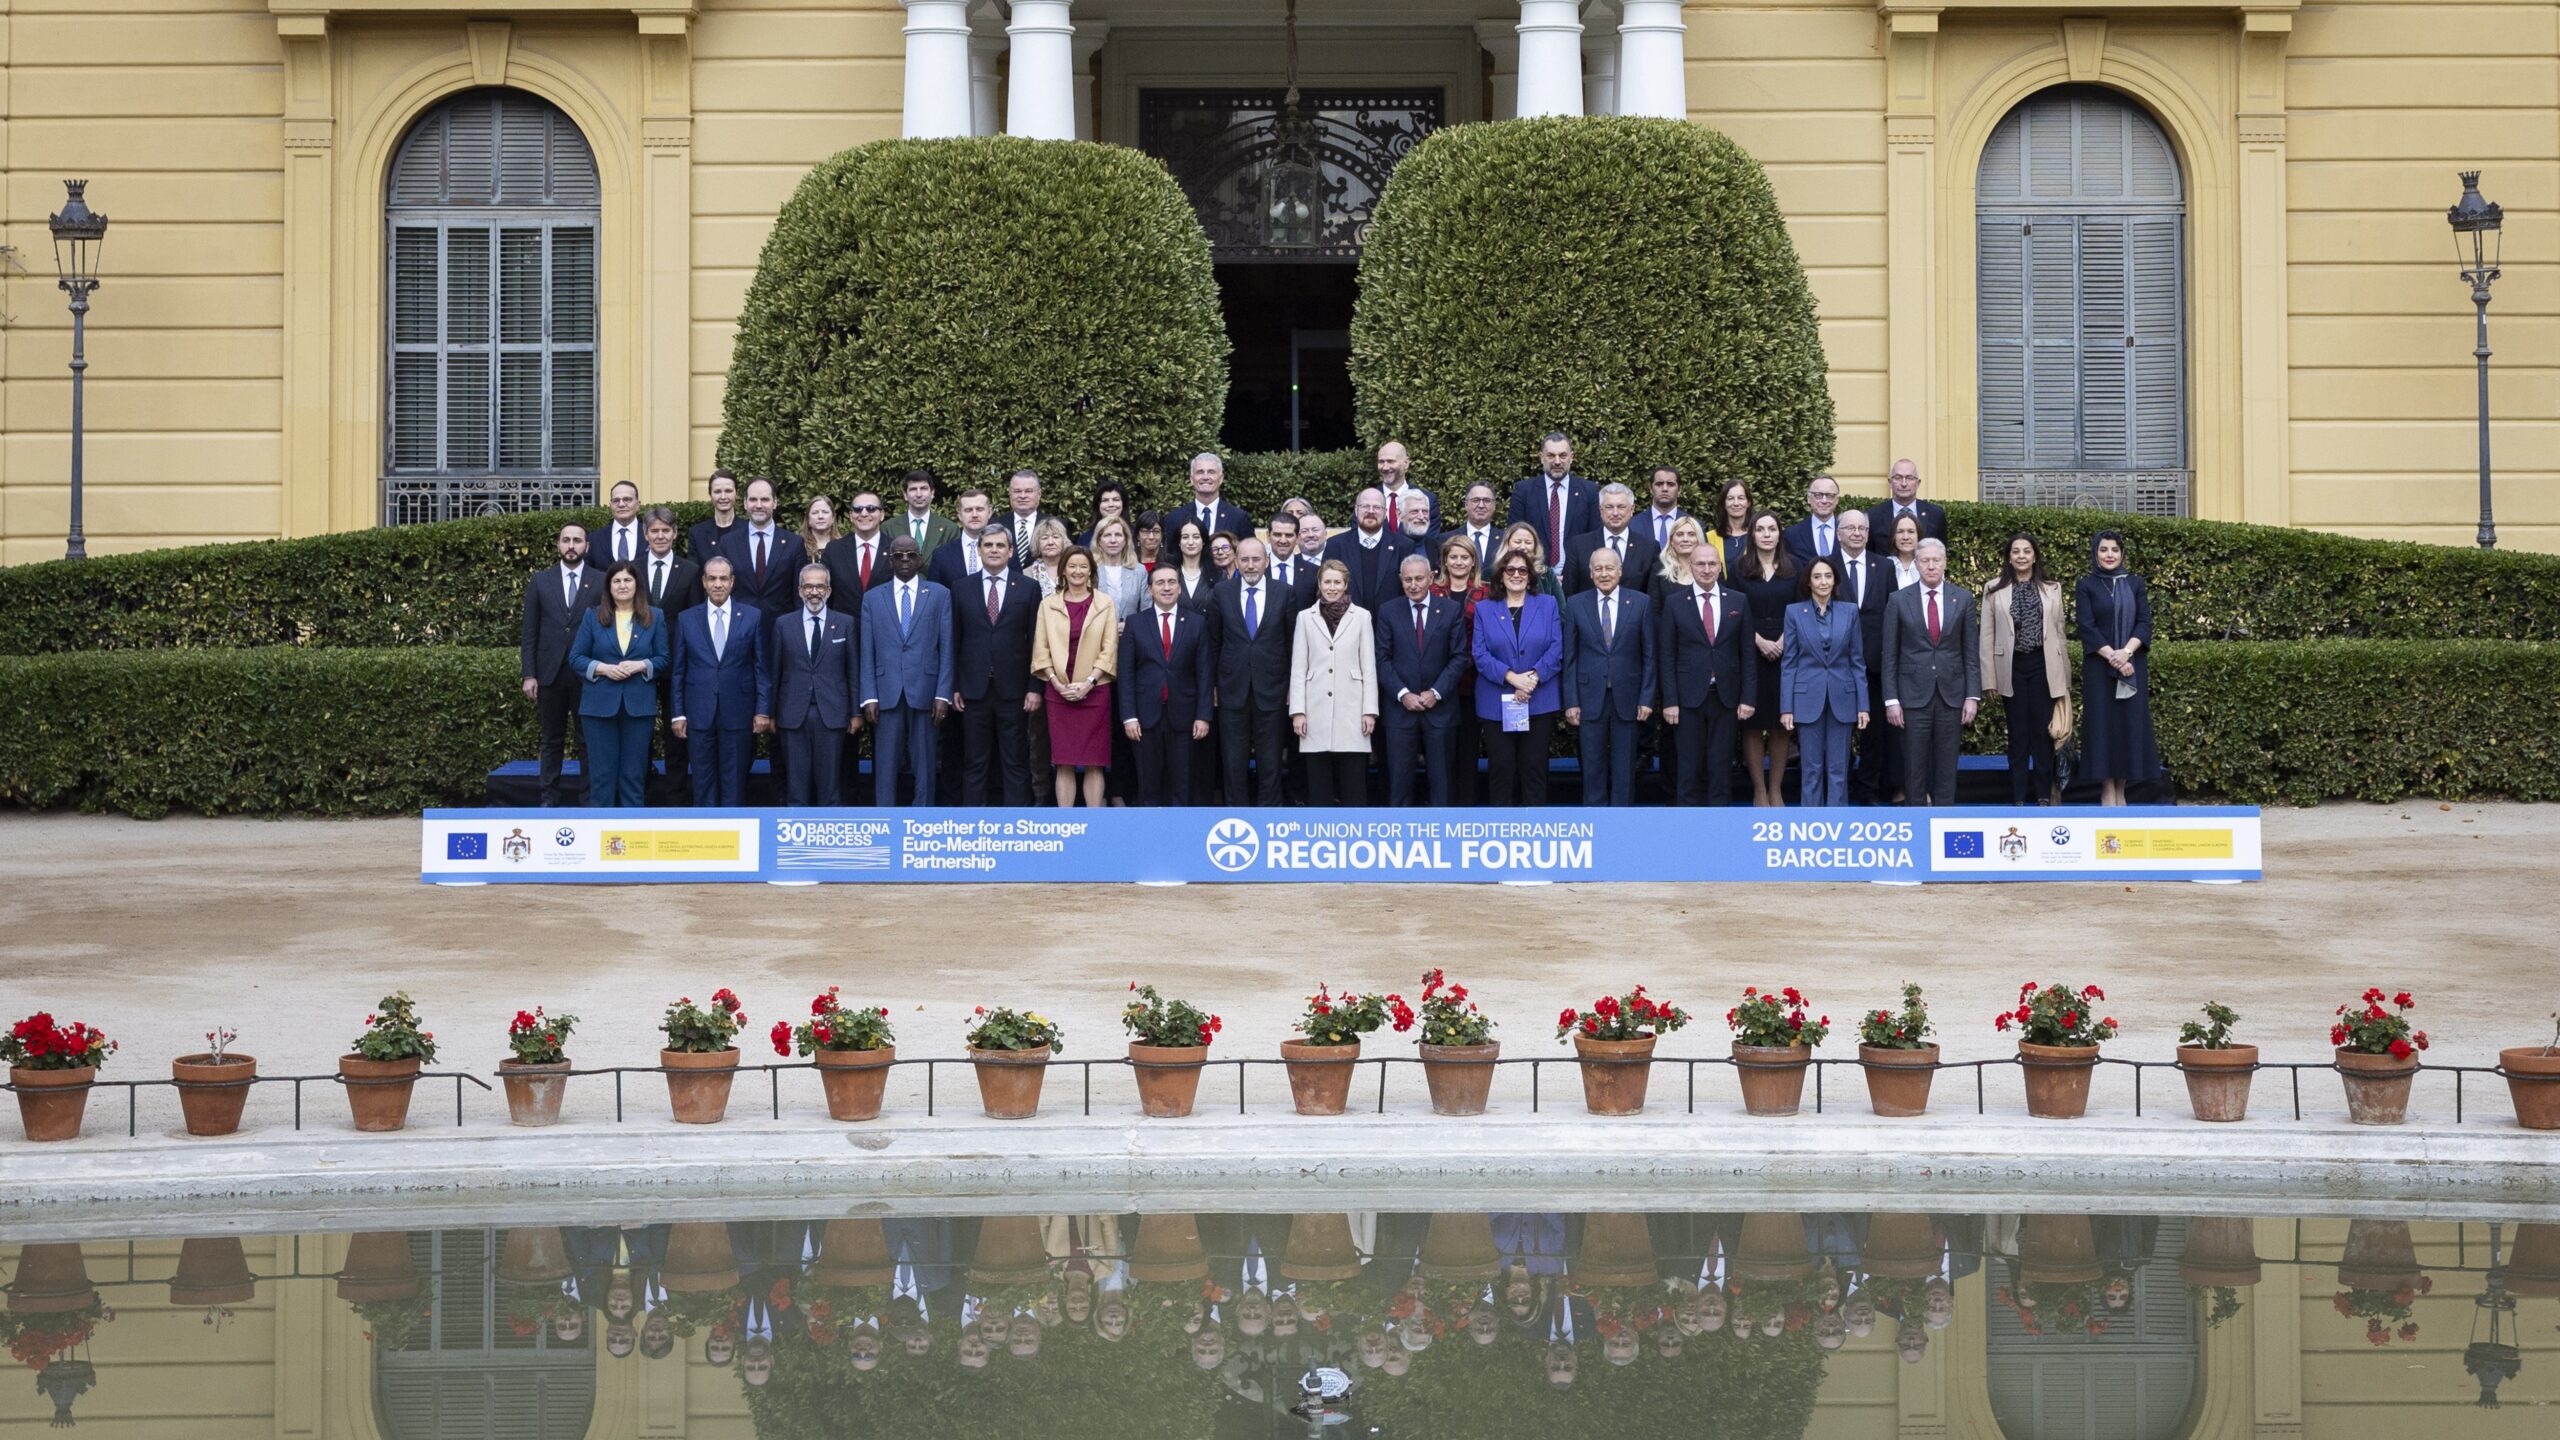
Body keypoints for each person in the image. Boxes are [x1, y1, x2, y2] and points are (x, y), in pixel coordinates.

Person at [1880, 539, 1980, 806]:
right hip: (1912, 697)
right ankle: (1916, 825)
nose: (1931, 566)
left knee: (1947, 767)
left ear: (1945, 562)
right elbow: (1889, 655)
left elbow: (1971, 653)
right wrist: (1891, 700)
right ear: (1916, 564)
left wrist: (1972, 696)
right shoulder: (1899, 600)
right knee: (1914, 768)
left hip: (1952, 695)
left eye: (1936, 560)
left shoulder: (1964, 598)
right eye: (1925, 561)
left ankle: (1943, 820)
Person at [1657, 548, 1757, 806]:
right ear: (1690, 566)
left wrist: (1748, 698)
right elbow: (1666, 655)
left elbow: (1747, 653)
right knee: (1688, 766)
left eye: (1712, 564)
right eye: (1700, 564)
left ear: (1720, 567)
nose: (1706, 569)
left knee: (1721, 766)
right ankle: (1688, 828)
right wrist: (1669, 701)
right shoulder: (1675, 602)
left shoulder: (1738, 601)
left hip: (1727, 697)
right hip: (1687, 698)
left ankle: (1720, 828)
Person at [859, 536, 955, 806]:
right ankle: (885, 817)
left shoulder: (939, 594)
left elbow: (946, 648)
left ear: (919, 559)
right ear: (889, 560)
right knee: (885, 764)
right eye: (898, 555)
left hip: (926, 692)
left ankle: (921, 817)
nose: (904, 560)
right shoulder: (872, 597)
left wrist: (943, 694)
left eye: (910, 555)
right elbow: (867, 650)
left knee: (924, 763)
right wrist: (869, 696)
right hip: (885, 692)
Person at [951, 526, 1042, 806]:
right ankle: (973, 824)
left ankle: (1017, 823)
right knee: (974, 762)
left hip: (1014, 690)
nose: (993, 550)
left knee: (1015, 761)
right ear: (979, 550)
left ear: (1011, 551)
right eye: (988, 545)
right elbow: (955, 640)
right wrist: (954, 686)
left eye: (1000, 545)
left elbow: (1036, 641)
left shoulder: (1028, 587)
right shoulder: (961, 587)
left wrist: (1034, 687)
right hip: (973, 690)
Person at [669, 556, 769, 806]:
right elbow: (678, 671)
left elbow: (761, 668)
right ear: (703, 582)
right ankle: (705, 837)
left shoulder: (752, 616)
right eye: (712, 578)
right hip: (699, 712)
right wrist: (678, 713)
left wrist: (763, 711)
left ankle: (732, 837)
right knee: (702, 781)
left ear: (732, 582)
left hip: (739, 712)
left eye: (723, 578)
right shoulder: (687, 618)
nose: (717, 584)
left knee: (734, 782)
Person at [1559, 547, 1657, 806]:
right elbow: (1569, 657)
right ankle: (1595, 818)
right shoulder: (1576, 603)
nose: (1604, 574)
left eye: (1609, 568)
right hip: (1588, 697)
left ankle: (1621, 822)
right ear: (1590, 573)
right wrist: (1571, 701)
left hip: (1629, 696)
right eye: (1598, 569)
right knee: (1592, 765)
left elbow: (1649, 655)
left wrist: (1647, 698)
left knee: (1625, 766)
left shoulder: (1641, 602)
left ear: (1620, 571)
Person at [569, 560, 667, 808]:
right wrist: (603, 669)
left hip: (638, 707)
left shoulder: (655, 617)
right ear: (609, 587)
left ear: (637, 585)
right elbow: (576, 658)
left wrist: (642, 665)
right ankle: (599, 837)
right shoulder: (593, 616)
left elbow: (664, 659)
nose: (622, 585)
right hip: (598, 707)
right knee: (601, 778)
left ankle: (632, 839)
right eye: (616, 581)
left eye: (627, 580)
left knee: (633, 777)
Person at [1209, 537, 1299, 807]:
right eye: (1245, 559)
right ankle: (1237, 816)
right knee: (1233, 762)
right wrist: (1214, 685)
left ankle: (1269, 817)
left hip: (1272, 691)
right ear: (1236, 561)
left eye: (1256, 559)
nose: (1250, 566)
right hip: (1231, 691)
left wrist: (1290, 689)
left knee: (1270, 762)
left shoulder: (1284, 592)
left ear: (1267, 561)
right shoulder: (1222, 592)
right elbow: (1214, 643)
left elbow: (1292, 644)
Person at [1980, 532, 2068, 805]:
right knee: (2018, 735)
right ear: (2009, 556)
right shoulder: (1993, 588)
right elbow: (1987, 634)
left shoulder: (2052, 588)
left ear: (2035, 556)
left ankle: (2043, 795)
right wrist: (1988, 679)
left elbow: (2060, 633)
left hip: (2043, 666)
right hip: (2011, 667)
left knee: (2043, 734)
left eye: (2026, 551)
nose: (2021, 556)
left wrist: (2064, 678)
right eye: (2015, 551)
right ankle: (2018, 797)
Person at [2075, 531, 2161, 806]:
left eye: (2114, 549)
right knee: (2102, 727)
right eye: (2103, 549)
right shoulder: (2086, 584)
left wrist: (2125, 654)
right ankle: (2106, 789)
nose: (2109, 554)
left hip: (2132, 665)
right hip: (2099, 668)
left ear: (2122, 553)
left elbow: (2144, 623)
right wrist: (2112, 656)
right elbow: (2086, 626)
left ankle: (2121, 788)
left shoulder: (2135, 584)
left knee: (2128, 726)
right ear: (2095, 553)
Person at [1472, 550, 1564, 806]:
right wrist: (1513, 678)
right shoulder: (1484, 609)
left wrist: (1531, 679)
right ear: (1500, 575)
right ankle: (1503, 833)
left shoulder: (1548, 604)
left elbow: (1557, 648)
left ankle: (1533, 832)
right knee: (1501, 771)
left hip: (1539, 700)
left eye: (1522, 570)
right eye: (1510, 570)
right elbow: (1479, 654)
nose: (1516, 575)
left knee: (1534, 770)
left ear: (1530, 575)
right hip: (1496, 702)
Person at [520, 522, 602, 806]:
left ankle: (589, 800)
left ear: (586, 547)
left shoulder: (601, 580)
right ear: (558, 545)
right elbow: (529, 631)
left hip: (587, 674)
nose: (571, 546)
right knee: (551, 740)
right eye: (566, 540)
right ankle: (548, 800)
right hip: (549, 675)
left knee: (587, 741)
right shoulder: (541, 581)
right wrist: (529, 674)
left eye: (577, 541)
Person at [1378, 553, 1468, 806]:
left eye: (1419, 578)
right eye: (1408, 580)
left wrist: (1436, 692)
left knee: (1442, 786)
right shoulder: (1388, 610)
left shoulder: (1450, 610)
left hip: (1440, 711)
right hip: (1400, 712)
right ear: (1400, 580)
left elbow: (1459, 657)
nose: (1413, 585)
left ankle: (1442, 837)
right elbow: (1381, 659)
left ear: (1431, 578)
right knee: (1399, 785)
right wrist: (1403, 694)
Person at [1119, 566, 1212, 805]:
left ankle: (1180, 837)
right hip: (1144, 717)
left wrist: (1203, 715)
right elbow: (1126, 673)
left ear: (1180, 587)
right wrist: (1129, 716)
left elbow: (1204, 672)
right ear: (1150, 589)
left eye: (1172, 582)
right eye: (1160, 583)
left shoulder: (1197, 623)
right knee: (1148, 785)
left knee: (1183, 784)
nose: (1167, 587)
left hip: (1185, 716)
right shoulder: (1135, 623)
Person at [1780, 555, 1869, 807]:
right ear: (1808, 582)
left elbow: (1857, 660)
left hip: (1843, 696)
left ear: (1835, 580)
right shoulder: (1795, 612)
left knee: (1838, 768)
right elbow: (1789, 662)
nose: (1823, 581)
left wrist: (1863, 705)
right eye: (1817, 576)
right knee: (1811, 768)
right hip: (1807, 697)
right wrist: (1786, 707)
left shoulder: (1849, 611)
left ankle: (1837, 821)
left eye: (1828, 576)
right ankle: (1812, 823)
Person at [1289, 558, 1379, 806]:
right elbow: (1299, 668)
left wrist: (1369, 711)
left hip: (1352, 708)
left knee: (1353, 786)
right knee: (1319, 786)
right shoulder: (1305, 617)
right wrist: (1298, 711)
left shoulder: (1361, 617)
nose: (1332, 588)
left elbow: (1368, 667)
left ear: (1346, 584)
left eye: (1337, 582)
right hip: (1314, 708)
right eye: (1327, 582)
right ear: (1319, 584)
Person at [770, 563, 861, 806]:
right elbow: (775, 673)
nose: (814, 592)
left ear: (829, 591)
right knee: (796, 788)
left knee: (830, 788)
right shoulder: (783, 624)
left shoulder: (845, 623)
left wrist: (855, 713)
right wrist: (770, 714)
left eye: (820, 586)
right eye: (808, 586)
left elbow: (852, 672)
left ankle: (829, 838)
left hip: (832, 714)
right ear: (800, 591)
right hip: (792, 714)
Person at [1034, 547, 1119, 807]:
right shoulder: (1048, 604)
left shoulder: (1105, 603)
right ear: (1063, 571)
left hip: (1095, 691)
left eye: (1083, 566)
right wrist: (1057, 684)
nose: (1077, 571)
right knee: (1064, 762)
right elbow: (1041, 648)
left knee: (1095, 763)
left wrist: (1089, 683)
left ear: (1091, 571)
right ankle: (1066, 822)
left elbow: (1109, 648)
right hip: (1058, 691)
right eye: (1072, 566)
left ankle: (1093, 824)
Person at [1734, 510, 1799, 807]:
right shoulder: (1739, 568)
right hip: (1751, 648)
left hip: (1787, 649)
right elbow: (1732, 611)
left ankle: (1776, 789)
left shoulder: (1795, 567)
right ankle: (1759, 790)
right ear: (1753, 534)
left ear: (1779, 534)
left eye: (1772, 528)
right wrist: (1758, 640)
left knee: (1781, 722)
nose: (1766, 534)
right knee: (1752, 722)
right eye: (1760, 529)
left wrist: (1785, 639)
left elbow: (1802, 608)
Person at [1832, 511, 1895, 804]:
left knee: (1874, 733)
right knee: (1837, 731)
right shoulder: (1824, 566)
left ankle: (1868, 790)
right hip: (1835, 663)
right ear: (1838, 533)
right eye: (1850, 528)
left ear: (1869, 534)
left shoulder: (1883, 566)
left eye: (1862, 528)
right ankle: (1837, 790)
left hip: (1874, 663)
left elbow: (1892, 615)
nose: (1857, 533)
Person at [640, 507, 701, 785]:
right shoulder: (632, 568)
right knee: (638, 729)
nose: (660, 536)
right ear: (646, 534)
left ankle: (675, 794)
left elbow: (694, 619)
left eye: (666, 530)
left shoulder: (690, 571)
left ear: (675, 534)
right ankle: (642, 788)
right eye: (655, 531)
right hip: (638, 663)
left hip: (676, 663)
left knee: (675, 729)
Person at [1433, 533, 1491, 802]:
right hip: (1438, 683)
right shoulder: (1431, 591)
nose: (1458, 562)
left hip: (1472, 682)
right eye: (1453, 557)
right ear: (1444, 561)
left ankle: (1466, 807)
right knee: (1441, 752)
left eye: (1464, 557)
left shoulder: (1487, 593)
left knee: (1468, 751)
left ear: (1473, 562)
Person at [723, 477, 807, 637]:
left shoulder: (794, 543)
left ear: (775, 502)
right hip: (738, 631)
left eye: (765, 499)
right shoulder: (728, 543)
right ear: (745, 503)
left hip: (782, 632)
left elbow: (799, 594)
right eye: (753, 499)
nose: (759, 505)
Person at [1505, 432, 1598, 571]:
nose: (1557, 461)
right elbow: (1514, 534)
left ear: (1571, 458)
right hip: (1534, 574)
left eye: (1562, 455)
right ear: (1542, 458)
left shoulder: (1589, 490)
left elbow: (1595, 536)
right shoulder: (1523, 490)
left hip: (1577, 575)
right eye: (1550, 456)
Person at [1562, 482, 1660, 596]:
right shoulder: (1578, 545)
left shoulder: (1649, 547)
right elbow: (1569, 592)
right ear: (1600, 510)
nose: (1615, 513)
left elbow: (1653, 596)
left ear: (1632, 509)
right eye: (1609, 507)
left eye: (1621, 507)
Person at [1322, 488, 1412, 612]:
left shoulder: (1404, 546)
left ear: (1385, 512)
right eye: (1365, 506)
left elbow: (1409, 590)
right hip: (1347, 622)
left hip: (1389, 625)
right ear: (1356, 509)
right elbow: (1326, 588)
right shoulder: (1336, 545)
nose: (1371, 511)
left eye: (1377, 507)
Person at [926, 488, 1007, 593]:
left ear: (990, 512)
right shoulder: (941, 555)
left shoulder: (1005, 550)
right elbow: (934, 596)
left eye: (979, 509)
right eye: (968, 510)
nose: (974, 515)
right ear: (959, 515)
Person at [823, 491, 891, 604]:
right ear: (851, 516)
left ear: (882, 515)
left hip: (883, 621)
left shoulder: (894, 549)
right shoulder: (833, 550)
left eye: (871, 508)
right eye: (858, 509)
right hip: (844, 621)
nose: (864, 513)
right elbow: (825, 593)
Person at [1865, 458, 1946, 549]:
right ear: (1890, 483)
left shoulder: (1935, 514)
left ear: (1918, 483)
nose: (1904, 483)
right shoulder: (1873, 516)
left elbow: (1941, 552)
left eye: (1909, 478)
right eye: (1898, 478)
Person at [1182, 452, 1254, 541]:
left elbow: (1249, 551)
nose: (1205, 477)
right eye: (1200, 472)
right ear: (1191, 479)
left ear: (1221, 479)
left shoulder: (1239, 518)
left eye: (1211, 472)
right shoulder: (1175, 518)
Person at [1782, 475, 1848, 568]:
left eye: (1830, 496)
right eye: (1818, 495)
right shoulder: (1791, 535)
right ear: (1808, 498)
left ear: (1837, 500)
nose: (1824, 500)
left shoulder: (1848, 531)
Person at [1376, 439, 1441, 532]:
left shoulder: (1427, 499)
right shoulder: (1366, 501)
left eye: (1390, 461)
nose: (1385, 467)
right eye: (1381, 462)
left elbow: (1430, 542)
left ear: (1406, 463)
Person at [1089, 515, 1146, 617]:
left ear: (1126, 540)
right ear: (1098, 541)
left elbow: (1146, 609)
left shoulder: (1139, 571)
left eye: (1118, 535)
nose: (1113, 540)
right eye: (1107, 535)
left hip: (1130, 631)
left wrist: (1130, 625)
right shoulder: (1090, 570)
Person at [895, 468, 958, 556]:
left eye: (924, 488)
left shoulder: (949, 529)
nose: (919, 494)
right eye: (913, 489)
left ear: (932, 493)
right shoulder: (888, 528)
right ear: (905, 495)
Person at [1496, 522, 1564, 601]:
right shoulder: (1492, 572)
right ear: (1507, 544)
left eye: (1528, 543)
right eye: (1517, 542)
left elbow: (1561, 610)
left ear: (1535, 547)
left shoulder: (1547, 574)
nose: (1523, 547)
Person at [1000, 468, 1057, 556]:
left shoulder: (1056, 525)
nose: (1023, 496)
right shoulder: (995, 524)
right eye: (1017, 491)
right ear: (1010, 494)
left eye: (1028, 491)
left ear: (1039, 494)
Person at [688, 469, 742, 560]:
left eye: (728, 491)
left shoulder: (748, 530)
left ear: (736, 493)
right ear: (710, 495)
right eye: (717, 492)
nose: (723, 497)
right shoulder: (697, 533)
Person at [1167, 515, 1218, 610]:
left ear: (1203, 541)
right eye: (1185, 537)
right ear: (1179, 542)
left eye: (1196, 537)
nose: (1190, 542)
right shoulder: (1167, 572)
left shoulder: (1218, 574)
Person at [596, 479, 646, 566]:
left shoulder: (651, 535)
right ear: (610, 505)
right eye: (616, 500)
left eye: (627, 499)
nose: (621, 504)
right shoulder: (595, 539)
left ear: (638, 504)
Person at [1640, 466, 1687, 552]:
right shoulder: (1633, 524)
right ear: (1650, 489)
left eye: (1670, 484)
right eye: (1659, 484)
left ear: (1679, 490)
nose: (1664, 489)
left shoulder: (1694, 525)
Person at [1264, 513, 1308, 593]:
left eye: (1289, 535)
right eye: (1277, 535)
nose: (1283, 541)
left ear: (1298, 538)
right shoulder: (1257, 569)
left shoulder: (1313, 572)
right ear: (1268, 536)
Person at [1078, 480, 1131, 546]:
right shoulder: (1085, 538)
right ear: (1098, 505)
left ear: (1123, 503)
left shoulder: (1135, 534)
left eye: (1116, 499)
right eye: (1105, 500)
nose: (1111, 504)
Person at [800, 493, 843, 562]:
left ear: (833, 518)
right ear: (808, 519)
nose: (820, 516)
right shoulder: (798, 547)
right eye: (815, 512)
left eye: (825, 512)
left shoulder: (843, 547)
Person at [1396, 488, 1440, 555]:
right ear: (1399, 515)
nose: (1421, 517)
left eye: (1425, 511)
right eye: (1414, 512)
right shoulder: (1387, 548)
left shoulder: (1438, 548)